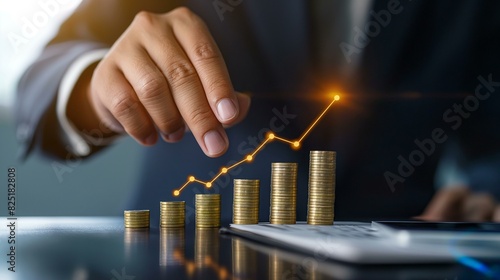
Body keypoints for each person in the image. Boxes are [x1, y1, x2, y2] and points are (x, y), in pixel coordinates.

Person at [16, 0, 500, 224]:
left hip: (392, 254)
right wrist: (101, 89)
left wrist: (488, 192)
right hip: (187, 253)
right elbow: (44, 76)